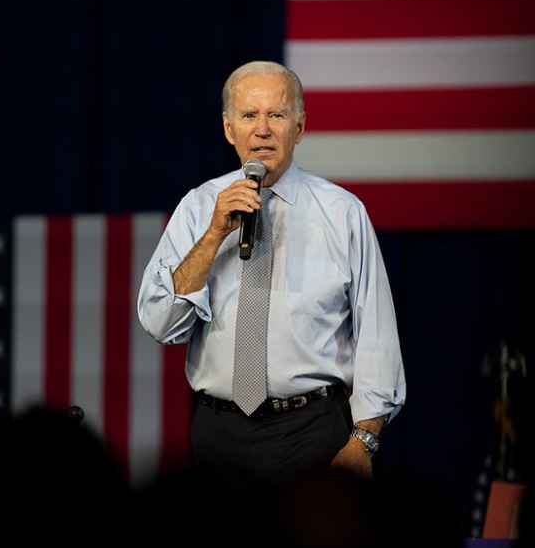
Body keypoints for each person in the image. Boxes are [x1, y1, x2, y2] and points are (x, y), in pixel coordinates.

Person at [137, 60, 405, 486]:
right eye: (249, 116)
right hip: (219, 434)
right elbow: (160, 324)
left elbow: (377, 337)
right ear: (229, 130)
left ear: (299, 127)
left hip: (314, 433)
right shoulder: (198, 207)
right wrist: (213, 236)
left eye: (276, 115)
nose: (262, 130)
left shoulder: (342, 213)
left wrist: (363, 441)